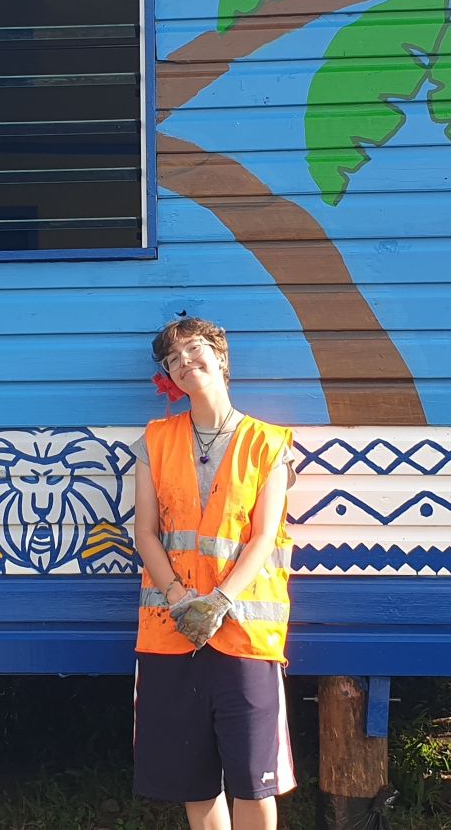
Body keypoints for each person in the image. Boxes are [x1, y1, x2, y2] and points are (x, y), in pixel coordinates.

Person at [132, 317, 297, 830]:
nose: (185, 362)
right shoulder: (155, 440)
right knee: (193, 780)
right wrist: (182, 599)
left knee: (254, 778)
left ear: (221, 357)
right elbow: (145, 533)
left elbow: (263, 537)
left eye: (195, 349)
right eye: (173, 359)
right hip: (171, 631)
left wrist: (220, 600)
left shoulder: (269, 443)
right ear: (168, 377)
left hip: (245, 634)